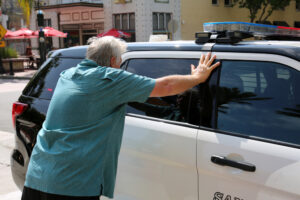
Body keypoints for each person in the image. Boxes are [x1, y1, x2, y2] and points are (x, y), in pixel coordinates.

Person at [21, 36, 220, 200]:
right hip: (71, 185)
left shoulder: (68, 74)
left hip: (38, 174)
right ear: (114, 61)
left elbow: (146, 100)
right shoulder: (110, 78)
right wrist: (197, 78)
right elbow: (165, 87)